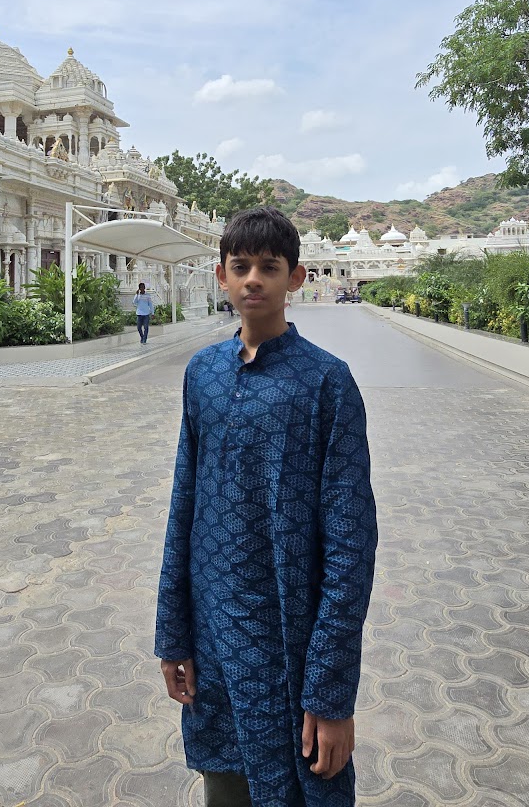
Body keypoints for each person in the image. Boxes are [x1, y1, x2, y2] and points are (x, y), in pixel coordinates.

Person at [156, 206, 377, 807]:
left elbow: (351, 544)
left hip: (292, 644)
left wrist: (331, 697)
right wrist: (173, 633)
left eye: (269, 267)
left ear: (295, 278)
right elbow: (186, 505)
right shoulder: (202, 374)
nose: (253, 278)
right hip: (216, 642)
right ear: (221, 276)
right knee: (225, 787)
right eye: (241, 266)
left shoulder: (326, 383)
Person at [134, 282, 155, 346]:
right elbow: (134, 302)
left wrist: (152, 313)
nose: (142, 289)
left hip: (146, 313)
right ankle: (142, 337)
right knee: (139, 327)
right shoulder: (138, 295)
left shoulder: (147, 295)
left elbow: (150, 304)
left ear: (144, 288)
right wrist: (137, 295)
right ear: (139, 288)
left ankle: (144, 339)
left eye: (143, 287)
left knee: (146, 327)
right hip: (139, 313)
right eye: (141, 287)